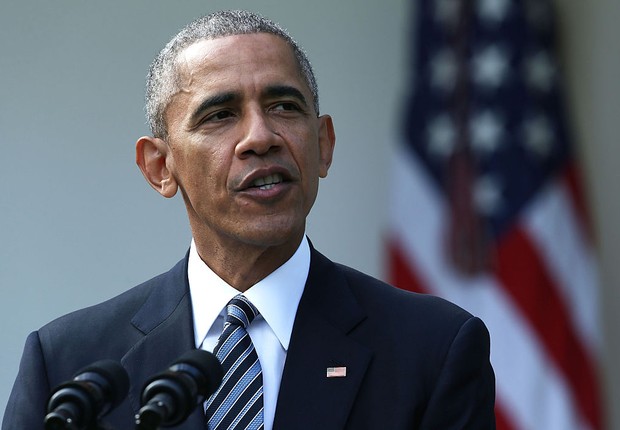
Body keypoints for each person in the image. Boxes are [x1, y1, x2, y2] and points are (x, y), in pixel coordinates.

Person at [2, 10, 496, 430]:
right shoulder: (69, 364)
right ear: (159, 166)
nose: (260, 137)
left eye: (284, 106)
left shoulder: (433, 349)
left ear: (323, 146)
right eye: (219, 115)